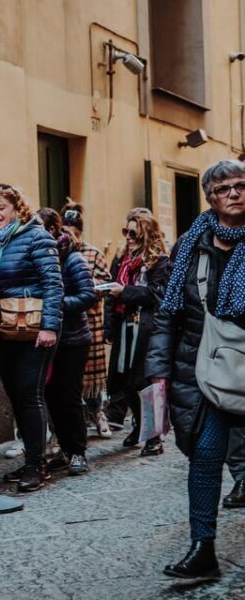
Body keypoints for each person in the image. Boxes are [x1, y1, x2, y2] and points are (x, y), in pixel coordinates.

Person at [147, 159, 245, 578]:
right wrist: (158, 370)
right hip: (201, 368)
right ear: (210, 198)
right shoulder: (190, 244)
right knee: (204, 456)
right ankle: (202, 548)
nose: (235, 194)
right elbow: (168, 313)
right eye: (224, 189)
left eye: (241, 186)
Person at [0, 185, 63, 493]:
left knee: (29, 394)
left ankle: (37, 465)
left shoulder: (37, 236)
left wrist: (50, 327)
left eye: (1, 207)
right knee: (16, 396)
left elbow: (53, 284)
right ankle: (32, 456)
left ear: (18, 210)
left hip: (34, 330)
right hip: (5, 329)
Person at [103, 211, 170, 456]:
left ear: (146, 234)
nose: (129, 238)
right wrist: (108, 327)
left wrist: (125, 292)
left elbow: (157, 294)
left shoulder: (159, 260)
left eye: (134, 233)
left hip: (147, 328)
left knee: (146, 383)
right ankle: (140, 425)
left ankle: (154, 437)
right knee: (125, 382)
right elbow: (112, 296)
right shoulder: (121, 258)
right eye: (126, 232)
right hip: (124, 327)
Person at [37, 208, 96, 475]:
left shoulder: (73, 258)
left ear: (51, 230)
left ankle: (78, 452)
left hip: (73, 339)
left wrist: (55, 304)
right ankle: (64, 448)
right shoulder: (41, 256)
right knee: (51, 395)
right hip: (51, 339)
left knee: (69, 396)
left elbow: (88, 295)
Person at [61, 201, 113, 438]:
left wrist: (90, 287)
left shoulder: (93, 253)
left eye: (74, 231)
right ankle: (77, 421)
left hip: (90, 320)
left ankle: (97, 412)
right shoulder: (57, 251)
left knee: (91, 377)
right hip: (67, 321)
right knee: (72, 378)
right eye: (66, 230)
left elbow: (107, 283)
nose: (70, 235)